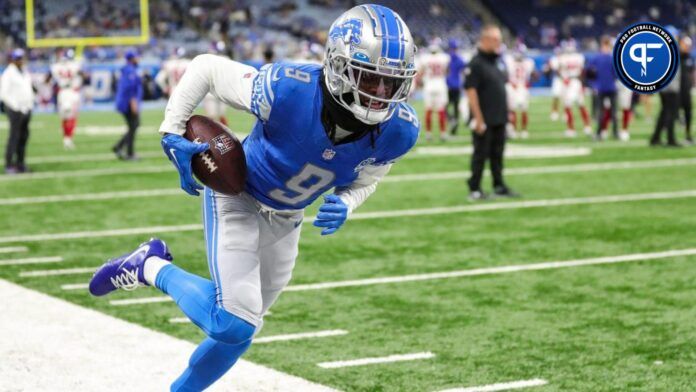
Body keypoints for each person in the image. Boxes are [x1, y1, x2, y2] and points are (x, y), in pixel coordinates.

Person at [88, 5, 419, 391]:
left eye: (390, 82)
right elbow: (207, 67)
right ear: (338, 64)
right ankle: (150, 266)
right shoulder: (288, 88)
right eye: (369, 77)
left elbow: (369, 177)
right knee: (234, 320)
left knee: (241, 332)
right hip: (239, 194)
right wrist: (171, 129)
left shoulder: (399, 130)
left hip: (288, 217)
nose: (379, 93)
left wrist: (348, 202)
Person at [465, 25, 517, 200]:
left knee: (498, 155)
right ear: (485, 40)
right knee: (480, 155)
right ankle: (475, 188)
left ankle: (499, 184)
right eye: (496, 39)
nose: (499, 43)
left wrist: (507, 113)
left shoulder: (497, 61)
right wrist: (478, 118)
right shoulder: (476, 63)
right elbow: (471, 92)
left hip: (499, 117)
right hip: (484, 119)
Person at [1, 49, 34, 174]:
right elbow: (4, 94)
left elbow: (28, 89)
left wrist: (30, 104)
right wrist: (16, 107)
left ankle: (20, 163)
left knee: (24, 137)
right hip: (15, 110)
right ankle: (9, 164)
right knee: (14, 137)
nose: (21, 60)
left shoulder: (24, 71)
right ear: (13, 59)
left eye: (22, 58)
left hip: (26, 108)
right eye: (18, 58)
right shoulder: (8, 73)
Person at [585, 36, 621, 141]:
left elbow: (588, 72)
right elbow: (616, 74)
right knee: (613, 112)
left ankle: (599, 133)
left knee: (601, 112)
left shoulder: (596, 58)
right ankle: (615, 133)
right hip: (611, 87)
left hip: (600, 87)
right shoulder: (612, 58)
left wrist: (593, 83)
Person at [49, 48, 83, 149]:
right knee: (72, 117)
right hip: (72, 92)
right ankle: (69, 138)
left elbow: (48, 78)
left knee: (64, 118)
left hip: (62, 92)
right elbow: (84, 75)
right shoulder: (75, 65)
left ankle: (66, 138)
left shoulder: (56, 66)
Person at [557, 40, 592, 137]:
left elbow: (560, 71)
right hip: (576, 82)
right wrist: (582, 85)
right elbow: (582, 72)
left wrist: (564, 78)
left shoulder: (563, 58)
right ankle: (587, 127)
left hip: (570, 83)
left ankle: (571, 129)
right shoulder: (579, 57)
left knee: (568, 106)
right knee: (581, 105)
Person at [113, 50, 142, 160]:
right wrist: (133, 102)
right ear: (131, 58)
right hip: (128, 103)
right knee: (134, 126)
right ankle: (129, 153)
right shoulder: (130, 71)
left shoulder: (129, 69)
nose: (138, 59)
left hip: (126, 102)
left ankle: (119, 146)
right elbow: (130, 88)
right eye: (136, 57)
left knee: (133, 126)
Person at [418, 41, 450, 141]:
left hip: (429, 86)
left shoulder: (425, 58)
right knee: (441, 110)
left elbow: (421, 73)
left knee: (428, 110)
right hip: (440, 85)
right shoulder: (444, 58)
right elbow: (446, 71)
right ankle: (443, 133)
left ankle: (428, 134)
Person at [504, 46, 536, 139]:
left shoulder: (510, 61)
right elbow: (534, 76)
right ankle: (520, 130)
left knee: (517, 110)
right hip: (518, 87)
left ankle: (518, 130)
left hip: (516, 86)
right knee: (517, 110)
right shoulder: (528, 63)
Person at [446, 39, 466, 135]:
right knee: (455, 107)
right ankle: (455, 126)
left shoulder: (448, 58)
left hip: (449, 86)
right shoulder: (460, 59)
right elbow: (465, 71)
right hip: (457, 85)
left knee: (445, 106)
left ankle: (452, 120)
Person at [679, 36, 694, 144]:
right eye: (685, 44)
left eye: (689, 45)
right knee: (670, 113)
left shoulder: (689, 57)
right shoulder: (677, 56)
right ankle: (667, 136)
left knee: (688, 112)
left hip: (686, 89)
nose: (687, 47)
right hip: (677, 90)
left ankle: (688, 135)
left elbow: (691, 72)